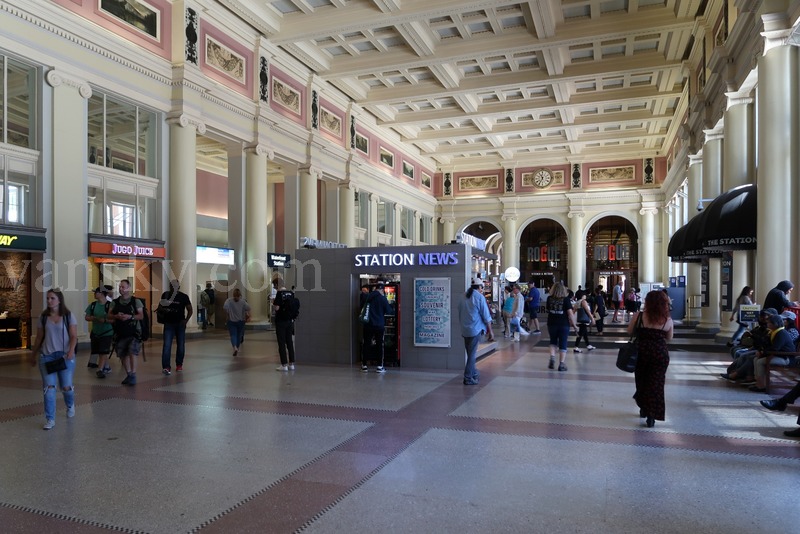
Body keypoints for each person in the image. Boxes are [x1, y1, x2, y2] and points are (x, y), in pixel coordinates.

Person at [30, 288, 77, 430]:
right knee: (49, 388)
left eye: (52, 298)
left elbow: (73, 335)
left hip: (64, 356)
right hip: (47, 356)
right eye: (48, 298)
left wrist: (70, 351)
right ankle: (50, 419)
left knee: (66, 386)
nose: (49, 301)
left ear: (59, 300)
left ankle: (70, 405)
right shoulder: (43, 317)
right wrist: (33, 354)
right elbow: (39, 337)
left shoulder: (68, 316)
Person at [629, 290, 674, 428]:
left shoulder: (639, 316)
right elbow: (669, 338)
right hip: (660, 353)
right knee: (656, 384)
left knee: (641, 380)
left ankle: (643, 406)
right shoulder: (667, 320)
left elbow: (629, 331)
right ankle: (652, 414)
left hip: (642, 351)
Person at [458, 277, 494, 385]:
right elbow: (486, 315)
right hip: (475, 329)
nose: (482, 290)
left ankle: (474, 374)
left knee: (470, 354)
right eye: (482, 287)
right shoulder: (479, 297)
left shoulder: (462, 296)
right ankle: (468, 377)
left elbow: (459, 312)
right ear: (479, 287)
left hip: (465, 329)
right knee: (472, 355)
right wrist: (490, 331)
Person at [749, 312, 796, 393]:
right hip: (778, 355)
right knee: (756, 359)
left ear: (775, 324)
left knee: (760, 362)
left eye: (769, 323)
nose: (767, 324)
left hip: (786, 358)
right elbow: (767, 345)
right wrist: (761, 351)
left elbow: (775, 348)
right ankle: (758, 382)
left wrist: (763, 353)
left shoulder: (781, 333)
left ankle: (762, 386)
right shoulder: (773, 332)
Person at [108, 279, 144, 386]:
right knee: (122, 355)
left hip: (134, 332)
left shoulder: (136, 301)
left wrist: (130, 317)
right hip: (120, 332)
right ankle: (129, 374)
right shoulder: (115, 302)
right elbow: (109, 315)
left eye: (123, 287)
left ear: (129, 288)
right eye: (120, 287)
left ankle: (133, 374)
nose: (121, 289)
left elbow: (140, 316)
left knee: (132, 352)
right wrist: (116, 316)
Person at [159, 279, 192, 375]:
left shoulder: (183, 297)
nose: (173, 287)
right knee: (167, 345)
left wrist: (186, 321)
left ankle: (179, 364)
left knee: (181, 345)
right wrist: (164, 310)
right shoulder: (166, 295)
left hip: (180, 324)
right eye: (172, 285)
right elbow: (160, 306)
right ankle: (166, 367)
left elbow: (190, 309)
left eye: (175, 286)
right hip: (168, 323)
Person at [361, 281, 392, 373]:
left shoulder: (368, 296)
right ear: (382, 290)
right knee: (379, 345)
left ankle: (364, 365)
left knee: (366, 344)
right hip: (379, 325)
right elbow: (389, 311)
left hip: (368, 324)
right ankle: (379, 366)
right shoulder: (382, 299)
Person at [546, 282, 577, 372]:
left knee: (553, 341)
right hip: (563, 324)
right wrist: (574, 325)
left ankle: (552, 357)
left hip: (551, 323)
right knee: (563, 343)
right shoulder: (566, 300)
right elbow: (570, 314)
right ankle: (561, 364)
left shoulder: (549, 299)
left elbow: (548, 310)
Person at [85, 286, 114, 378]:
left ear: (101, 294)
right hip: (96, 332)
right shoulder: (93, 305)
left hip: (107, 332)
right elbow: (87, 317)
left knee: (103, 351)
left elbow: (114, 320)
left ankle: (100, 369)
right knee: (99, 351)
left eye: (96, 292)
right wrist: (92, 318)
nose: (94, 294)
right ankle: (107, 366)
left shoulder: (110, 305)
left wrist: (105, 320)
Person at [273, 286, 296, 371]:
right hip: (289, 321)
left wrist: (275, 304)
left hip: (280, 322)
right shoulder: (290, 294)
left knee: (281, 343)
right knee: (289, 342)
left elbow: (277, 308)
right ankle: (292, 363)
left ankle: (284, 364)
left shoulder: (279, 294)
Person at [223, 288, 251, 356]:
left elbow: (225, 307)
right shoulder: (243, 302)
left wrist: (228, 313)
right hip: (241, 321)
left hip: (231, 321)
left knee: (233, 335)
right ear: (240, 295)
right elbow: (249, 308)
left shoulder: (229, 300)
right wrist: (247, 315)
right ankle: (237, 348)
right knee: (239, 335)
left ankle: (235, 347)